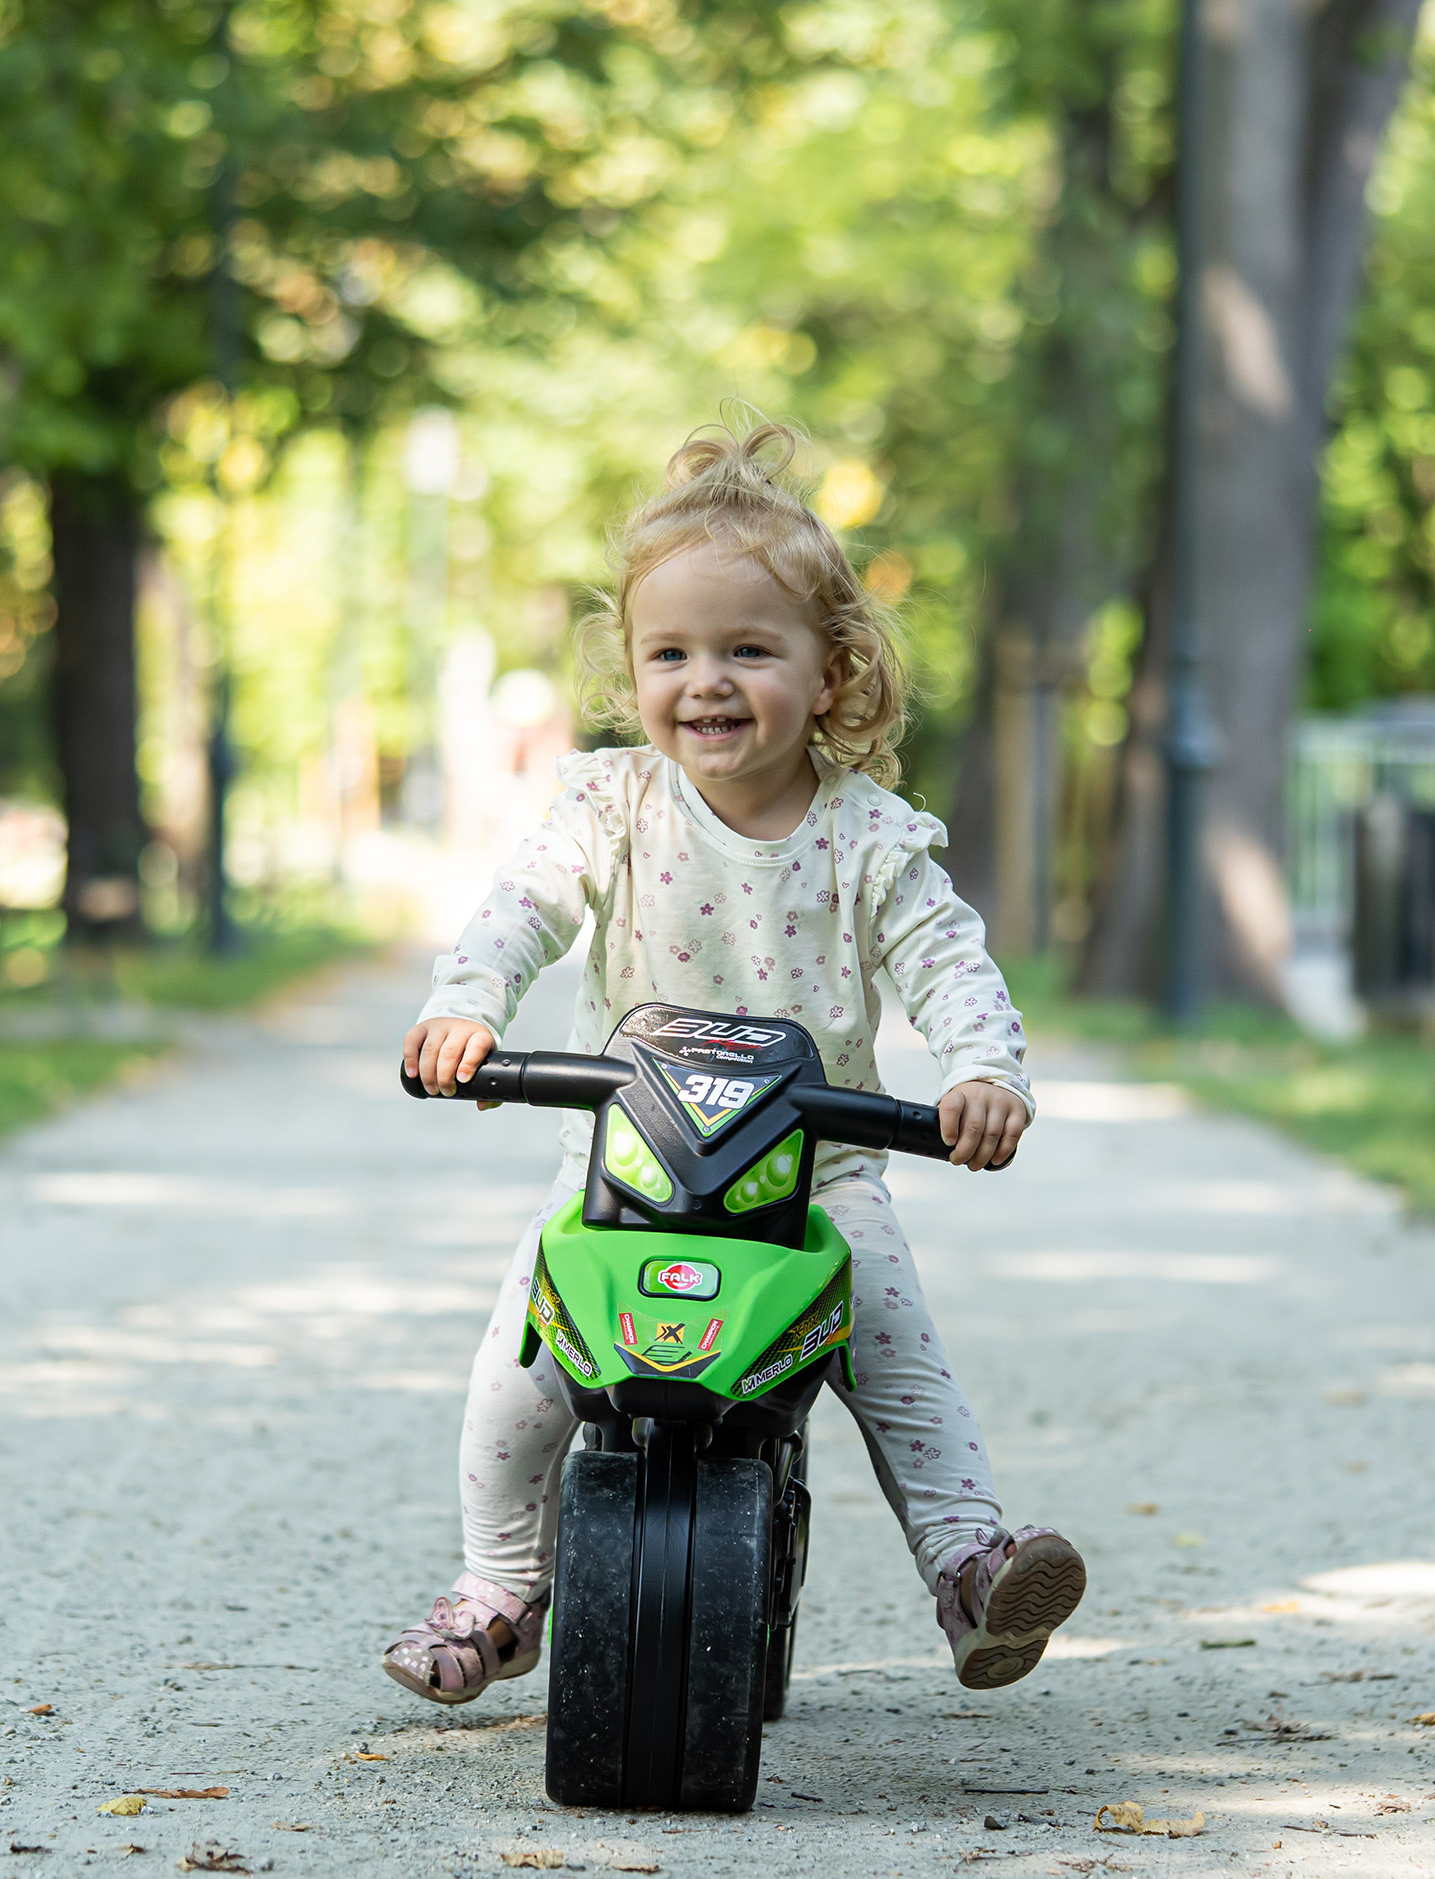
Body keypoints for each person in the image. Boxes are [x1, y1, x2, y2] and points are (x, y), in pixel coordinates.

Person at [385, 418, 1085, 1705]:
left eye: (748, 650)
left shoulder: (867, 837)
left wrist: (984, 1069)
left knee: (892, 1343)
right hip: (623, 1170)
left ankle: (967, 1565)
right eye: (671, 653)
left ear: (829, 672)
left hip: (815, 1173)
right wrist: (467, 1001)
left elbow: (947, 960)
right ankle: (499, 1588)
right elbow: (522, 904)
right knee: (521, 1367)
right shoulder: (610, 806)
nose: (705, 681)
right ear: (633, 670)